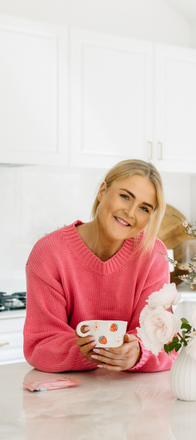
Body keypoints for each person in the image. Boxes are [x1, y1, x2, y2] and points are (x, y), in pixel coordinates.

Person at [23, 159, 176, 373]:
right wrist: (83, 352)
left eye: (144, 208)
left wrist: (139, 353)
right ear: (103, 191)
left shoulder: (152, 255)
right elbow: (41, 345)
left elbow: (166, 342)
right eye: (125, 196)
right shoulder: (49, 253)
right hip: (67, 395)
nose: (131, 213)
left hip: (135, 394)